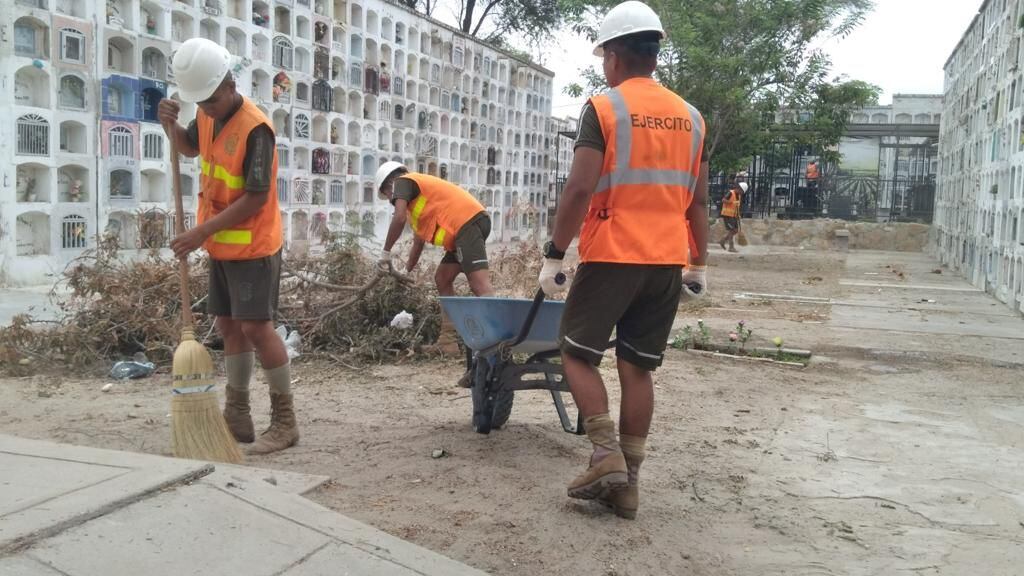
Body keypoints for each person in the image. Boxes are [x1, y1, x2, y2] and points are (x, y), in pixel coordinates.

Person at [537, 0, 709, 519]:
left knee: (575, 353)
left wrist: (555, 253)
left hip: (613, 255)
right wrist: (698, 262)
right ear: (653, 54)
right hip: (665, 262)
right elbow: (698, 201)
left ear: (613, 55)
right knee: (637, 369)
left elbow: (579, 189)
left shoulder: (604, 107)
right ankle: (628, 484)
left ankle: (604, 453)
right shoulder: (692, 117)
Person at [158, 38, 297, 455]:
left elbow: (256, 196)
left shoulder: (256, 130)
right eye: (200, 103)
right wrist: (171, 125)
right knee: (228, 326)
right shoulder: (205, 113)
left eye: (212, 101)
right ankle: (237, 414)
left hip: (254, 247)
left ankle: (285, 421)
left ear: (230, 83)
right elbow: (189, 147)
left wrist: (199, 233)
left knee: (257, 327)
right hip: (221, 245)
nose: (207, 109)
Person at [375, 162, 494, 357]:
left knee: (480, 284)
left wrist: (385, 253)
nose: (391, 199)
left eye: (388, 195)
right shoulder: (419, 203)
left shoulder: (404, 181)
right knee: (442, 278)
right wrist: (406, 272)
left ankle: (498, 344)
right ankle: (448, 342)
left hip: (467, 223)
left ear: (390, 184)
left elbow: (398, 219)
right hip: (462, 231)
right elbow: (418, 243)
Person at [718, 182, 742, 252]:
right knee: (731, 230)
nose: (742, 192)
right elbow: (723, 200)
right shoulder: (731, 193)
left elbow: (737, 206)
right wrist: (730, 202)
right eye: (741, 190)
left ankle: (723, 240)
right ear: (738, 188)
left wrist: (738, 215)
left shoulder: (739, 196)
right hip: (727, 215)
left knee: (735, 230)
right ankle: (731, 247)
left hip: (734, 215)